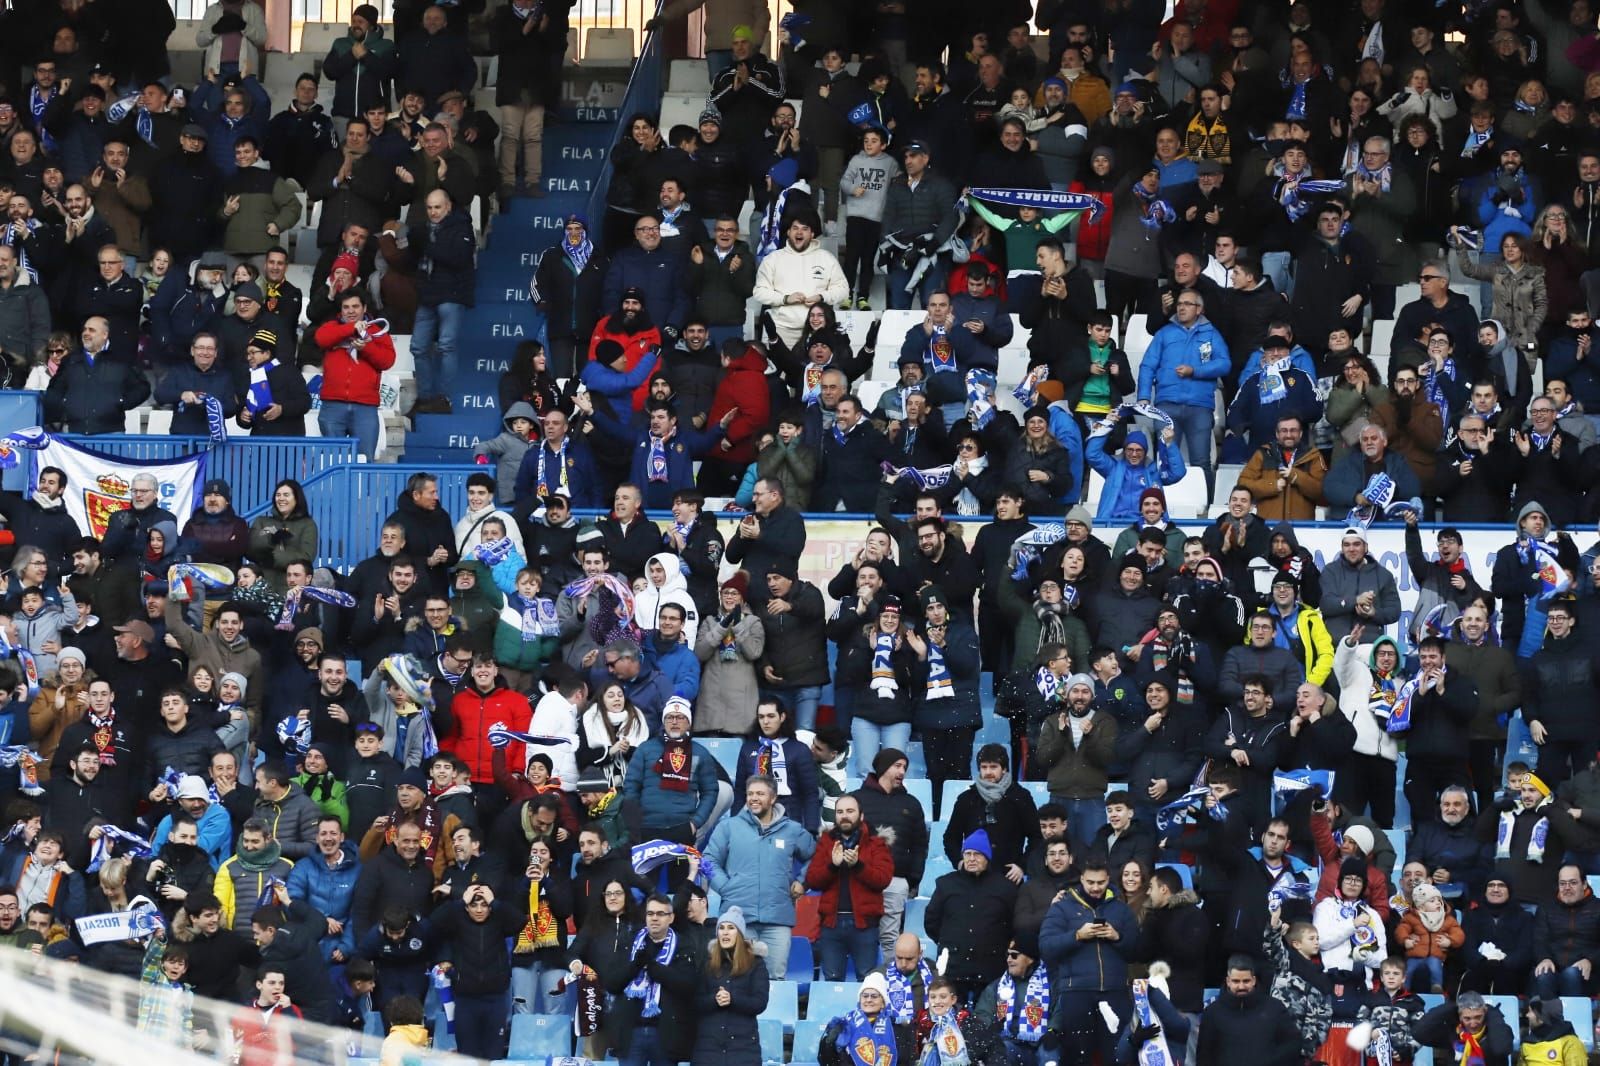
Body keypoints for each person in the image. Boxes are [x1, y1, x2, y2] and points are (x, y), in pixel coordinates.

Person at [702, 773, 815, 979]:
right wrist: (726, 887)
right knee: (739, 977)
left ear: (773, 798)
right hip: (738, 917)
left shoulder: (792, 829)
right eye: (750, 793)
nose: (754, 798)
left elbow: (817, 856)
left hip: (778, 920)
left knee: (776, 980)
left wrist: (803, 881)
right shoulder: (729, 827)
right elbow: (708, 860)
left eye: (760, 794)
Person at [1040, 856, 1140, 1066]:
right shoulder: (1062, 907)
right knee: (1078, 1057)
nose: (1096, 888)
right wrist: (1076, 936)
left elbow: (1137, 951)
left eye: (1101, 882)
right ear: (1082, 879)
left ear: (1108, 879)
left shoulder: (1121, 909)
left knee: (1115, 1057)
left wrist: (1117, 937)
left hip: (1115, 992)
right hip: (1076, 992)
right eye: (1090, 882)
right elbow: (1046, 946)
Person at [805, 793, 893, 982]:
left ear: (861, 816)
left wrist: (858, 866)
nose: (844, 816)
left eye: (850, 811)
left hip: (864, 925)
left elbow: (883, 879)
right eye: (840, 812)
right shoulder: (826, 842)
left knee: (867, 981)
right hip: (831, 924)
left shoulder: (876, 843)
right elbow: (813, 880)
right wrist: (832, 866)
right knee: (832, 981)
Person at [925, 829, 1018, 1004]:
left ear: (987, 857)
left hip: (990, 967)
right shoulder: (946, 884)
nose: (971, 859)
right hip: (953, 967)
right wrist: (950, 942)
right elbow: (932, 922)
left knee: (985, 1020)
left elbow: (1014, 924)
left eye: (977, 854)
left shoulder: (1005, 888)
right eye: (967, 854)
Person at [611, 891, 700, 1066]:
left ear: (671, 917)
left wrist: (653, 967)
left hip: (666, 1033)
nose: (654, 918)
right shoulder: (630, 942)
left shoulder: (684, 945)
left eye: (661, 914)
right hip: (631, 1032)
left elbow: (688, 986)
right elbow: (612, 983)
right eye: (650, 913)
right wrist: (635, 965)